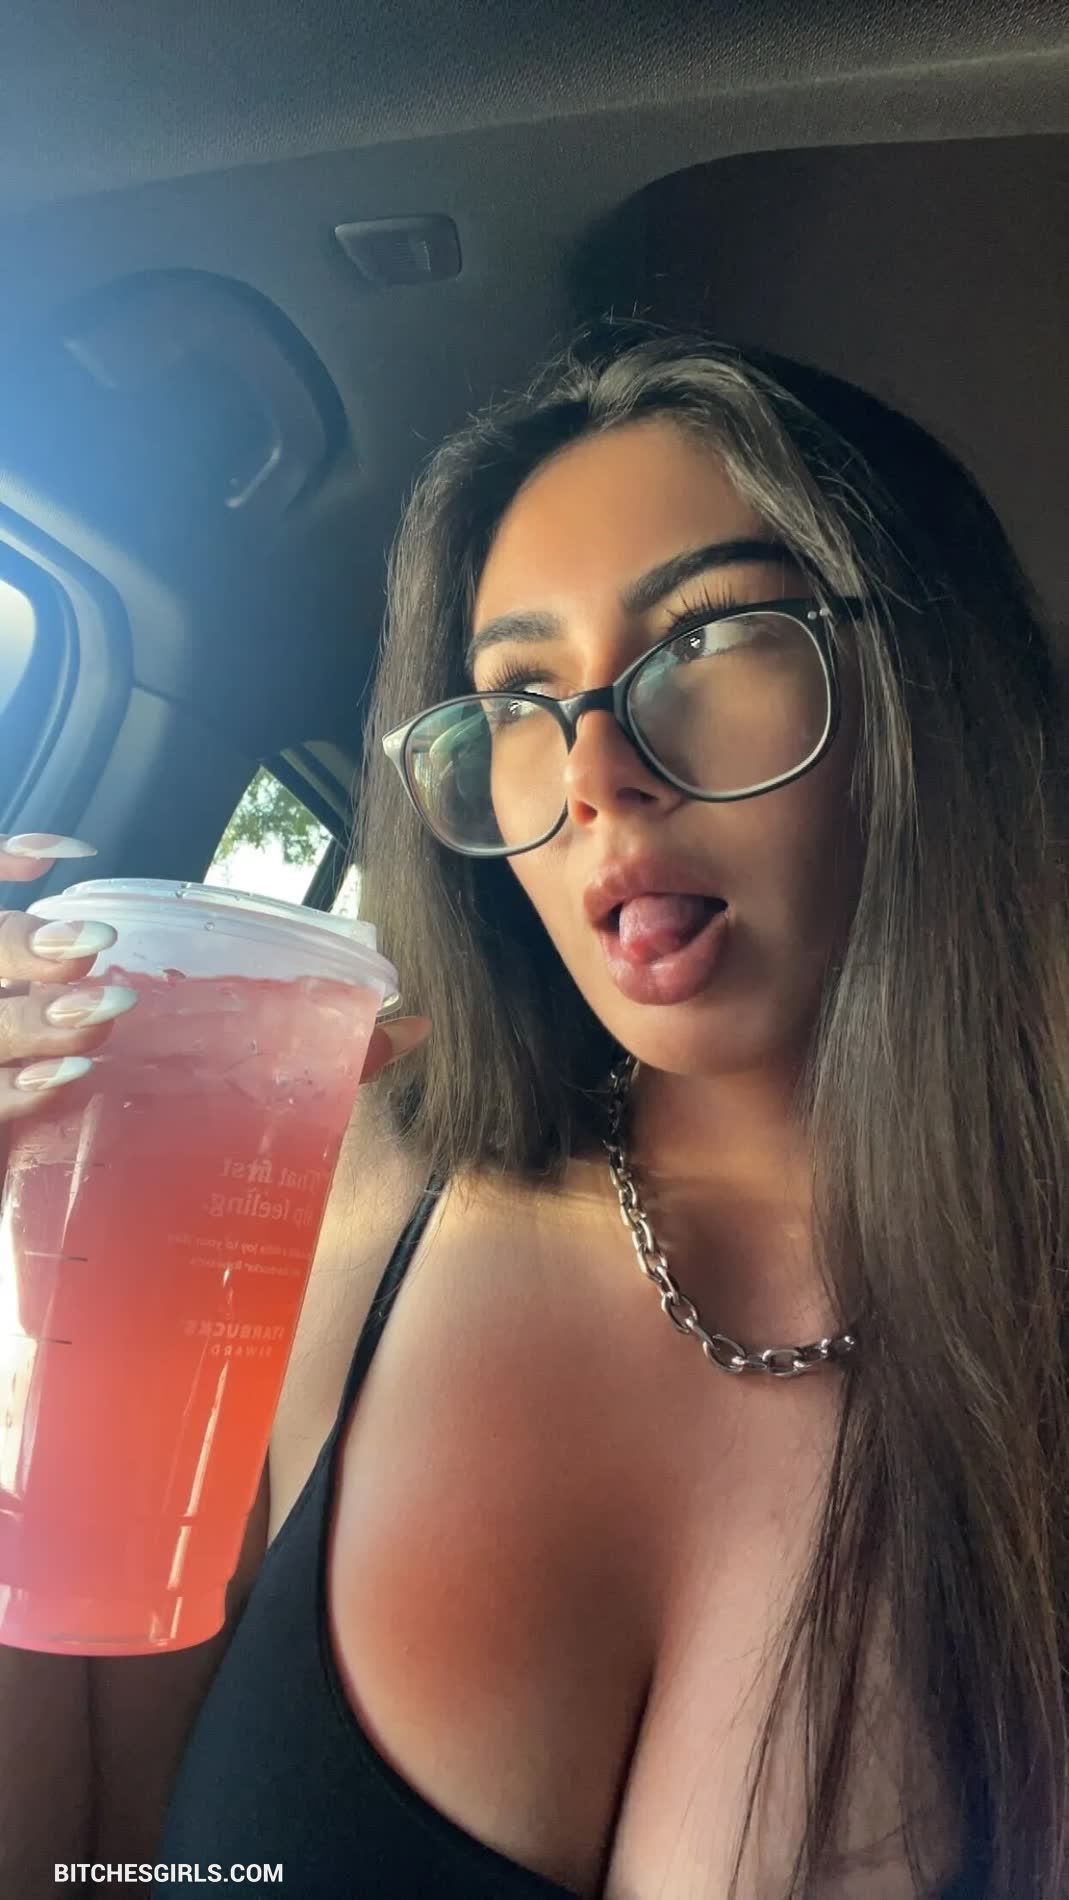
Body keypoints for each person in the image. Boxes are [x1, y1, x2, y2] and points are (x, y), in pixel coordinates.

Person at [0, 319, 1065, 1898]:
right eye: (513, 695)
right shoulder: (343, 1191)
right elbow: (96, 1858)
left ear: (933, 678)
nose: (593, 771)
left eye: (706, 637)